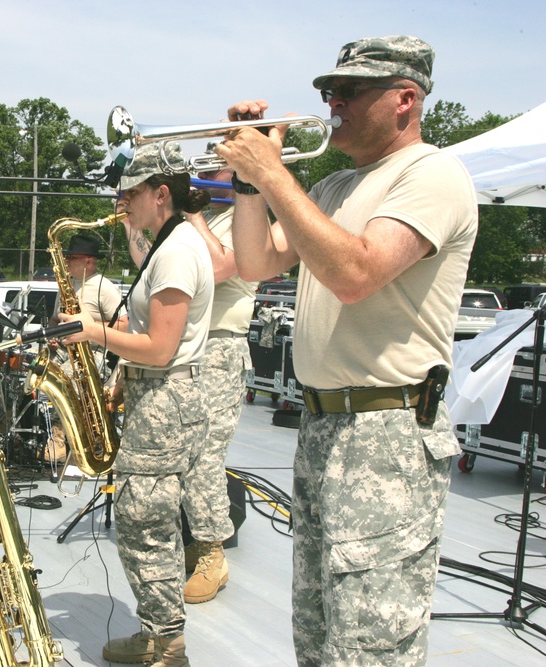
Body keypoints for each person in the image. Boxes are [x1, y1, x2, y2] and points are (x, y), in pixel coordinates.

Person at [215, 35, 478, 665]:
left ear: (405, 100)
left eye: (351, 91)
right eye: (329, 90)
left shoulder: (431, 174)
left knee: (371, 643)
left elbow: (356, 274)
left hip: (386, 432)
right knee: (320, 630)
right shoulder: (333, 188)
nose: (333, 102)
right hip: (323, 425)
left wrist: (275, 172)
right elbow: (252, 262)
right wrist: (250, 184)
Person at [58, 142, 214, 667]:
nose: (121, 201)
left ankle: (167, 645)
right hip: (157, 393)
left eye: (131, 193)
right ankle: (157, 634)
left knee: (143, 522)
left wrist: (92, 332)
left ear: (160, 194)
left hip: (166, 400)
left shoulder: (176, 251)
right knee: (147, 520)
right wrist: (124, 379)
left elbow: (163, 347)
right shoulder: (170, 244)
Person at [118, 158, 258, 626]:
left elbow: (220, 267)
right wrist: (130, 223)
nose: (209, 173)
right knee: (187, 462)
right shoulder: (180, 231)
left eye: (218, 167)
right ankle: (191, 544)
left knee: (206, 458)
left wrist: (186, 207)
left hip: (218, 347)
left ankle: (212, 553)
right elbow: (149, 268)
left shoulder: (242, 217)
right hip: (184, 347)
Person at [48, 233, 125, 373]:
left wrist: (88, 327)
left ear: (88, 261)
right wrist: (52, 337)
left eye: (71, 257)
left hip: (95, 352)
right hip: (64, 349)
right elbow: (54, 320)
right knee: (33, 365)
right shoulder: (65, 286)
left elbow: (124, 325)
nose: (66, 260)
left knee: (67, 378)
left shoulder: (105, 287)